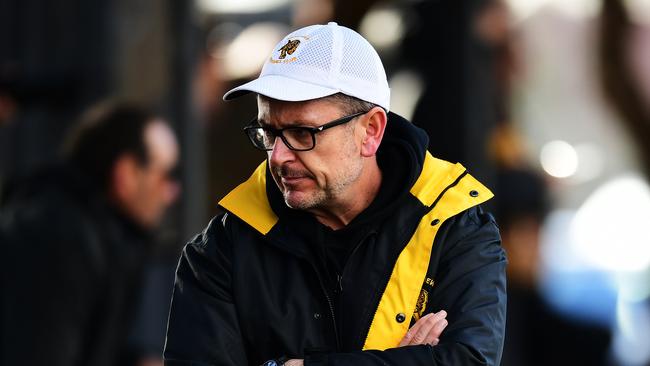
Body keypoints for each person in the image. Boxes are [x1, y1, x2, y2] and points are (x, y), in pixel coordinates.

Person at [164, 22, 506, 366]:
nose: (278, 156)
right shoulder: (221, 250)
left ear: (370, 131)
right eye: (268, 132)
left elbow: (469, 361)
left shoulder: (455, 226)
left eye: (301, 133)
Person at [0, 101, 180, 366]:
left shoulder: (98, 235)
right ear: (126, 174)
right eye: (165, 175)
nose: (172, 192)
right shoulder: (59, 239)